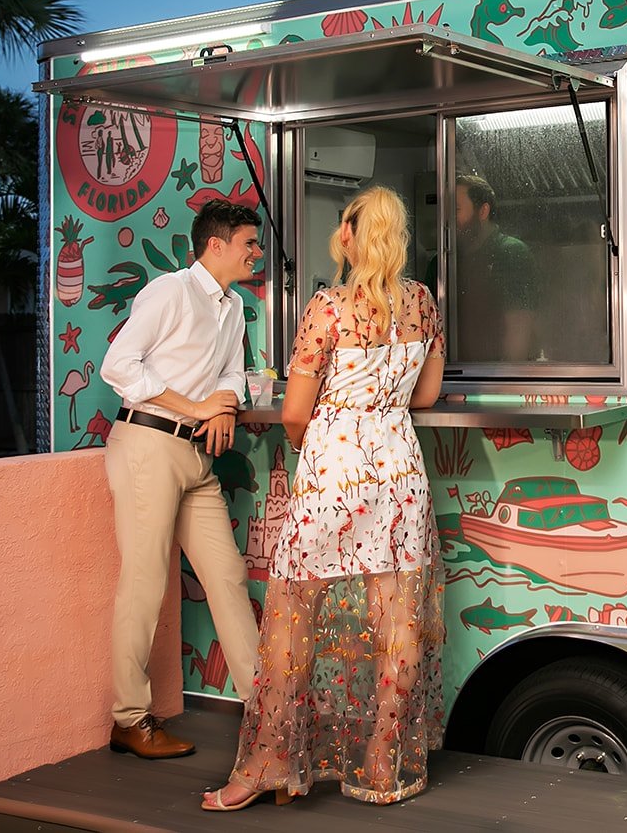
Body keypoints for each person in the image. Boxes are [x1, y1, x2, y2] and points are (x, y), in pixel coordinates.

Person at [202, 184, 446, 810]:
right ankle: (383, 762)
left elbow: (293, 412)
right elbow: (425, 396)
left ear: (349, 236)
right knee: (398, 624)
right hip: (399, 475)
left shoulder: (327, 308)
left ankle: (269, 766)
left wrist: (337, 426)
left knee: (293, 619)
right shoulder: (423, 304)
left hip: (333, 474)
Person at [99, 199, 263, 760]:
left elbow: (231, 376)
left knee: (228, 578)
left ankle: (266, 719)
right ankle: (129, 719)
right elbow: (118, 366)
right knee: (145, 584)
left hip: (196, 459)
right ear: (216, 246)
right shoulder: (170, 291)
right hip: (147, 446)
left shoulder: (234, 306)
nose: (257, 253)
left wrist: (222, 409)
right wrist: (198, 407)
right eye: (249, 243)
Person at [453, 173, 537, 362]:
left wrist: (506, 382)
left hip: (495, 376)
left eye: (456, 209)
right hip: (456, 377)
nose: (447, 219)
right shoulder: (442, 262)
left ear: (483, 211)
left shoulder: (510, 253)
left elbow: (519, 326)